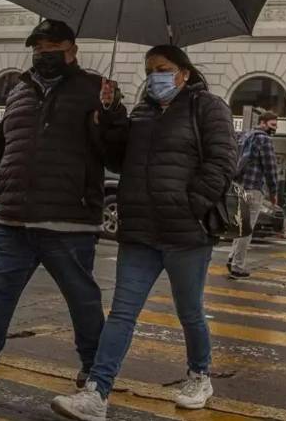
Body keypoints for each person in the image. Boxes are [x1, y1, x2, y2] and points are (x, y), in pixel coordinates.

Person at [0, 19, 128, 407]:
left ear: (72, 50)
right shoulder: (19, 89)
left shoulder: (95, 90)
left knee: (82, 301)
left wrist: (112, 114)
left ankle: (96, 376)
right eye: (37, 48)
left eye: (51, 48)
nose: (43, 55)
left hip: (68, 219)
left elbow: (116, 156)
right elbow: (2, 145)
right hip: (14, 218)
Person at [51, 45, 237, 420]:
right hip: (139, 233)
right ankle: (97, 392)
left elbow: (223, 160)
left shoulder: (207, 106)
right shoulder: (141, 111)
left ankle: (199, 375)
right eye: (150, 70)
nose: (155, 77)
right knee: (122, 313)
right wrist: (111, 112)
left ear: (184, 72)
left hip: (186, 233)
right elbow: (117, 159)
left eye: (163, 69)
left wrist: (192, 205)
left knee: (190, 311)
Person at [227, 111, 280, 279]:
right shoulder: (265, 139)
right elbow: (270, 168)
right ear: (262, 122)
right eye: (272, 125)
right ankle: (237, 266)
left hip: (239, 187)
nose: (274, 128)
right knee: (246, 230)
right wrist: (274, 192)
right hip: (253, 189)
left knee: (240, 227)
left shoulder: (246, 136)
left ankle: (232, 258)